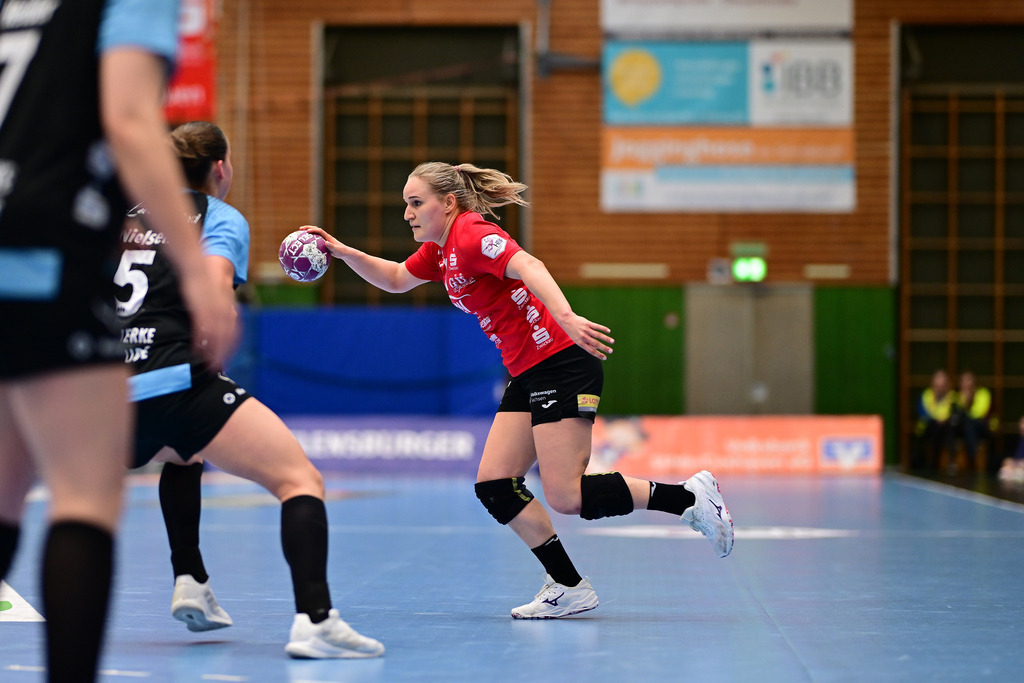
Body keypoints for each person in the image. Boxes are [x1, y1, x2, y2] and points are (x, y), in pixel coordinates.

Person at [303, 162, 734, 619]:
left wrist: (566, 317)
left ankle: (688, 498)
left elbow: (529, 264)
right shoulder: (440, 250)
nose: (407, 214)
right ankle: (568, 586)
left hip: (562, 362)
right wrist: (342, 251)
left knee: (567, 496)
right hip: (529, 372)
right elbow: (393, 278)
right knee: (495, 485)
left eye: (415, 203)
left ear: (448, 203)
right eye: (404, 204)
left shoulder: (469, 233)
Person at [0, 3, 237, 682]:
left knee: (5, 491)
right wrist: (195, 268)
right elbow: (131, 122)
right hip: (43, 241)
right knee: (82, 497)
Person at [117, 121, 384, 659]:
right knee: (298, 479)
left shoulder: (127, 219)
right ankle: (316, 622)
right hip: (178, 379)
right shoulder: (219, 217)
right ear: (220, 168)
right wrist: (220, 341)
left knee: (181, 452)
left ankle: (190, 577)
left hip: (109, 392)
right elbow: (215, 289)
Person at [952, 371, 996, 471]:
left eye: (969, 380)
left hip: (982, 427)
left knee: (970, 424)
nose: (966, 383)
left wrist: (969, 401)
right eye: (964, 380)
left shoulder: (983, 394)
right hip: (964, 430)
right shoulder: (957, 396)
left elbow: (978, 415)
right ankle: (953, 460)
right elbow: (956, 417)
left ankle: (973, 459)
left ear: (974, 381)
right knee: (953, 426)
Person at [915, 369, 956, 471]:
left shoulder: (952, 396)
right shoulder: (926, 395)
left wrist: (943, 419)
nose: (940, 388)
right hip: (928, 427)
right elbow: (922, 413)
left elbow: (953, 412)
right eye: (937, 385)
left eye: (943, 385)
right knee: (934, 428)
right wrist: (936, 419)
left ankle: (950, 462)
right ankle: (929, 463)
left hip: (945, 427)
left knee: (950, 429)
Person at [998, 416, 1024, 483]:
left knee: (1016, 474)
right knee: (1005, 471)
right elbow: (1018, 458)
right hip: (1018, 467)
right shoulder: (1021, 441)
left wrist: (1017, 464)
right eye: (1020, 423)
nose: (1021, 426)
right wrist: (1011, 462)